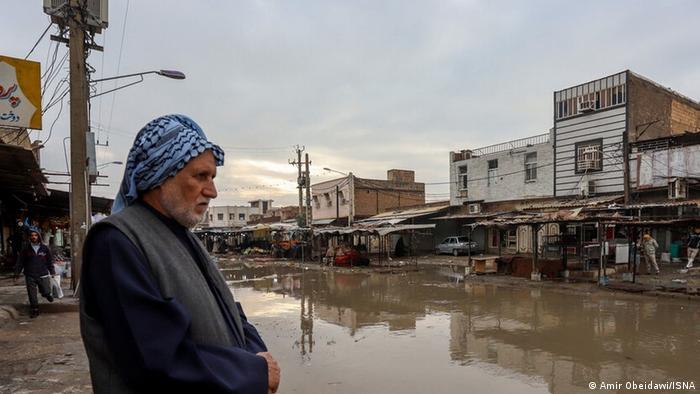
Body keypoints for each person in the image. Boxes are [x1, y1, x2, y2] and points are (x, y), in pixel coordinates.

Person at [80, 114, 280, 393]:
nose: (212, 191)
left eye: (212, 177)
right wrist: (252, 372)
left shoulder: (184, 235)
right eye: (201, 176)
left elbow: (231, 313)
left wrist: (260, 359)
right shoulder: (116, 242)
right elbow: (155, 360)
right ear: (161, 175)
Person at [14, 227, 54, 318]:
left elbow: (49, 261)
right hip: (30, 274)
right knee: (32, 293)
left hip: (43, 273)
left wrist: (52, 271)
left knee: (46, 290)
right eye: (32, 235)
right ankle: (35, 309)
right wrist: (17, 273)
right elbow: (20, 262)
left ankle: (47, 294)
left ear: (39, 236)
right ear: (29, 237)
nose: (34, 237)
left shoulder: (44, 248)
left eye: (35, 235)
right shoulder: (25, 249)